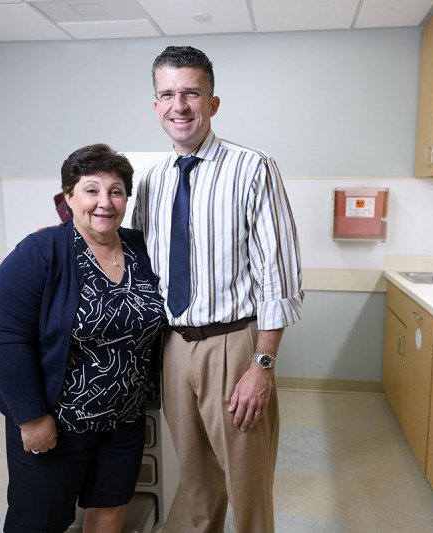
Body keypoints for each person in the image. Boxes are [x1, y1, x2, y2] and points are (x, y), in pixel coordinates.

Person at [132, 46, 304, 533]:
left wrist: (262, 365)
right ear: (155, 105)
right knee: (196, 485)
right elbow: (144, 268)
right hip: (173, 347)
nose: (179, 105)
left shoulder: (253, 168)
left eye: (191, 92)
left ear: (213, 102)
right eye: (167, 94)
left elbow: (279, 278)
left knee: (247, 486)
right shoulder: (151, 182)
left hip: (234, 345)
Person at [0, 144, 166, 533]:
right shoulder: (40, 251)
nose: (105, 202)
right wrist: (32, 418)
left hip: (124, 420)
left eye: (116, 191)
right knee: (39, 522)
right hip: (58, 422)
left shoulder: (140, 248)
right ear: (68, 196)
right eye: (91, 190)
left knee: (110, 509)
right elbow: (5, 340)